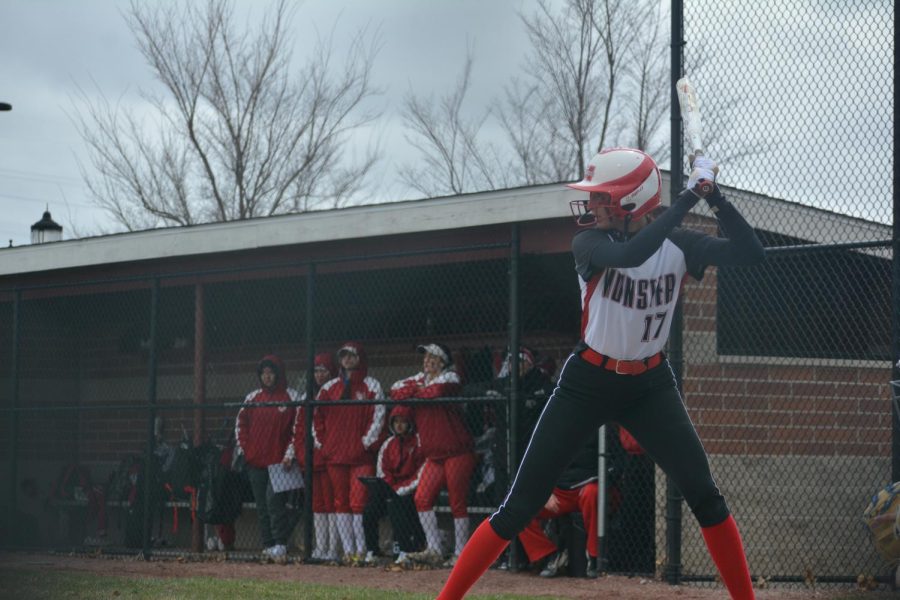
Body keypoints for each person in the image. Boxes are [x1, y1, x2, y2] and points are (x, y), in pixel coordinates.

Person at [437, 149, 765, 600]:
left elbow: (752, 253)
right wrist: (688, 197)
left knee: (705, 496)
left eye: (604, 198)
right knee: (518, 507)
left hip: (650, 385)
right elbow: (631, 255)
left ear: (634, 202)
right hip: (587, 382)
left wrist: (716, 198)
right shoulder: (589, 244)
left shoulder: (681, 244)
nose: (593, 206)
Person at [390, 342, 477, 567]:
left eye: (432, 357)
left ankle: (462, 552)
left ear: (442, 361)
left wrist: (415, 393)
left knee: (458, 502)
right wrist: (417, 391)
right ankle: (434, 549)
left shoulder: (451, 377)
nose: (427, 360)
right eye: (426, 357)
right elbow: (395, 390)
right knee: (422, 498)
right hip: (434, 454)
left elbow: (437, 392)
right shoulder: (419, 379)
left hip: (457, 451)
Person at [317, 341, 386, 563]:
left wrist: (365, 443)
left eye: (352, 356)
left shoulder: (371, 385)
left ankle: (363, 549)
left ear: (360, 358)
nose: (347, 359)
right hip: (335, 456)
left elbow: (379, 417)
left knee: (359, 503)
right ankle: (348, 552)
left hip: (360, 457)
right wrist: (324, 445)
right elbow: (315, 419)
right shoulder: (328, 389)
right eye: (344, 356)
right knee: (340, 503)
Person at [234, 354, 299, 559]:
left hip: (280, 464)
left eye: (271, 373)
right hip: (255, 462)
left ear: (278, 374)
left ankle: (281, 543)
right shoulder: (252, 398)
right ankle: (267, 544)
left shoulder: (292, 396)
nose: (267, 377)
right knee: (262, 505)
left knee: (274, 502)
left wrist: (290, 454)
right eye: (264, 374)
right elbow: (240, 426)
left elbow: (298, 429)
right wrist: (246, 451)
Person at [511, 432, 600, 579]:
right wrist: (545, 491)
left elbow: (614, 466)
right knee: (519, 508)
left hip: (589, 487)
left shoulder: (600, 430)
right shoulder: (556, 426)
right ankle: (550, 556)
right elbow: (535, 467)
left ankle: (594, 558)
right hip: (560, 492)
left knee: (592, 494)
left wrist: (595, 481)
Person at [282, 351, 339, 561]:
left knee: (333, 504)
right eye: (316, 370)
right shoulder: (306, 397)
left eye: (323, 370)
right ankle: (320, 548)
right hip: (310, 460)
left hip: (329, 458)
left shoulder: (336, 393)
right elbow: (297, 429)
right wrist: (296, 453)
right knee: (317, 505)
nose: (319, 375)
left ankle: (333, 549)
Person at [360, 404, 427, 564]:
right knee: (370, 509)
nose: (399, 425)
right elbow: (382, 471)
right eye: (396, 421)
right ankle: (372, 551)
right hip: (390, 490)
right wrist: (392, 488)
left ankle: (405, 550)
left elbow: (423, 472)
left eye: (403, 422)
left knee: (396, 504)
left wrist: (402, 489)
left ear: (410, 423)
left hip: (411, 492)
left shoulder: (419, 442)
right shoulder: (388, 444)